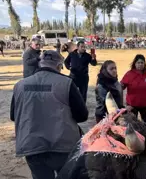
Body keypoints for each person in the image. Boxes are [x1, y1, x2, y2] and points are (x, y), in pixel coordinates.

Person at [10, 50, 89, 179]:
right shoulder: (66, 83)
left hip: (32, 146)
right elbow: (82, 116)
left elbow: (14, 116)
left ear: (40, 64)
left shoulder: (20, 85)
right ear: (59, 66)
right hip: (62, 146)